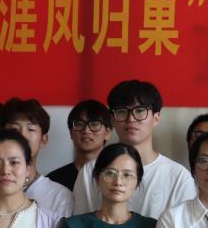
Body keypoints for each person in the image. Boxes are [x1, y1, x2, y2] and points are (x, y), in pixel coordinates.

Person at [73, 79, 196, 217]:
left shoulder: (178, 178)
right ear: (112, 119)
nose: (131, 119)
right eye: (122, 111)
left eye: (140, 111)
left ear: (156, 118)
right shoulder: (89, 172)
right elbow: (79, 225)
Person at [0, 97, 73, 217]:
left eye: (30, 129)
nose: (22, 135)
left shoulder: (60, 197)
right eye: (14, 129)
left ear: (43, 140)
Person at [48, 99, 111, 191]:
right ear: (71, 133)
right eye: (79, 124)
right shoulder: (53, 180)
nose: (86, 130)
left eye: (94, 124)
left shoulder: (116, 177)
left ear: (107, 133)